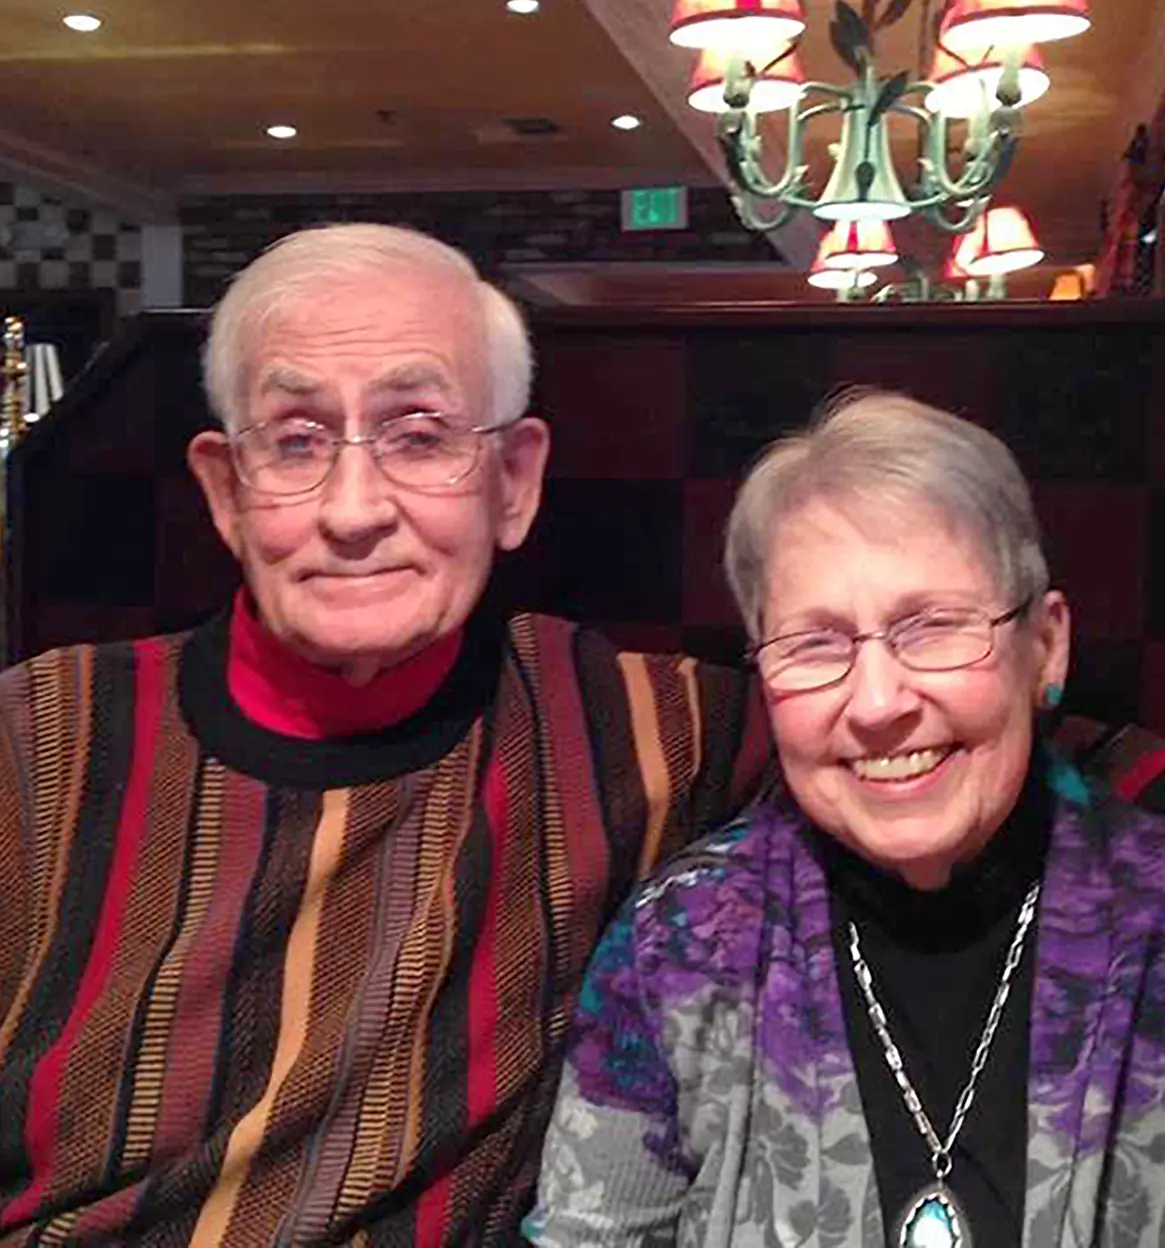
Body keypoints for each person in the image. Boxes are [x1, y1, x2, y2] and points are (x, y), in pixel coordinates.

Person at [0, 223, 770, 1246]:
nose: (353, 510)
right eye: (296, 441)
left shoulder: (641, 736)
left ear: (513, 483)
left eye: (419, 434)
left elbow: (964, 745)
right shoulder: (34, 748)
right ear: (227, 493)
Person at [526, 392, 1165, 1247]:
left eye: (934, 628)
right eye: (816, 645)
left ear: (1046, 647)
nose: (878, 704)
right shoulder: (680, 946)